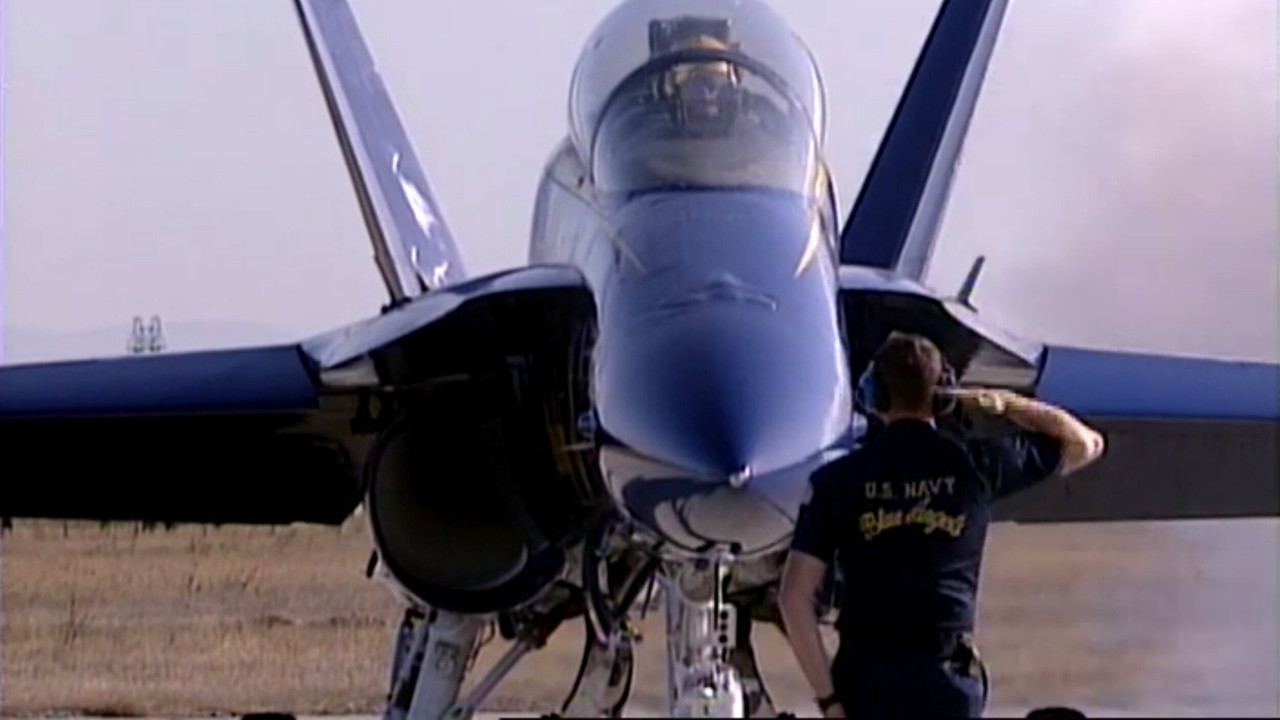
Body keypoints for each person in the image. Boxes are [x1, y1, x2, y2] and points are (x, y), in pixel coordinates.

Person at [777, 332, 1106, 718]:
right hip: (946, 680)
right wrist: (1005, 403)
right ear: (945, 395)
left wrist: (830, 701)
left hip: (867, 684)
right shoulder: (976, 466)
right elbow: (1084, 444)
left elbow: (793, 599)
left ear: (873, 393)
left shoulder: (837, 481)